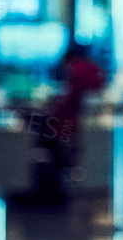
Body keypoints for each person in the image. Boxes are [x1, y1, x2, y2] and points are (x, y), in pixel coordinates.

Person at [29, 44, 105, 205]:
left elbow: (67, 103)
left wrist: (52, 106)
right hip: (76, 124)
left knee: (36, 129)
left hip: (66, 125)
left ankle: (45, 184)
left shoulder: (75, 70)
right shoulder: (91, 69)